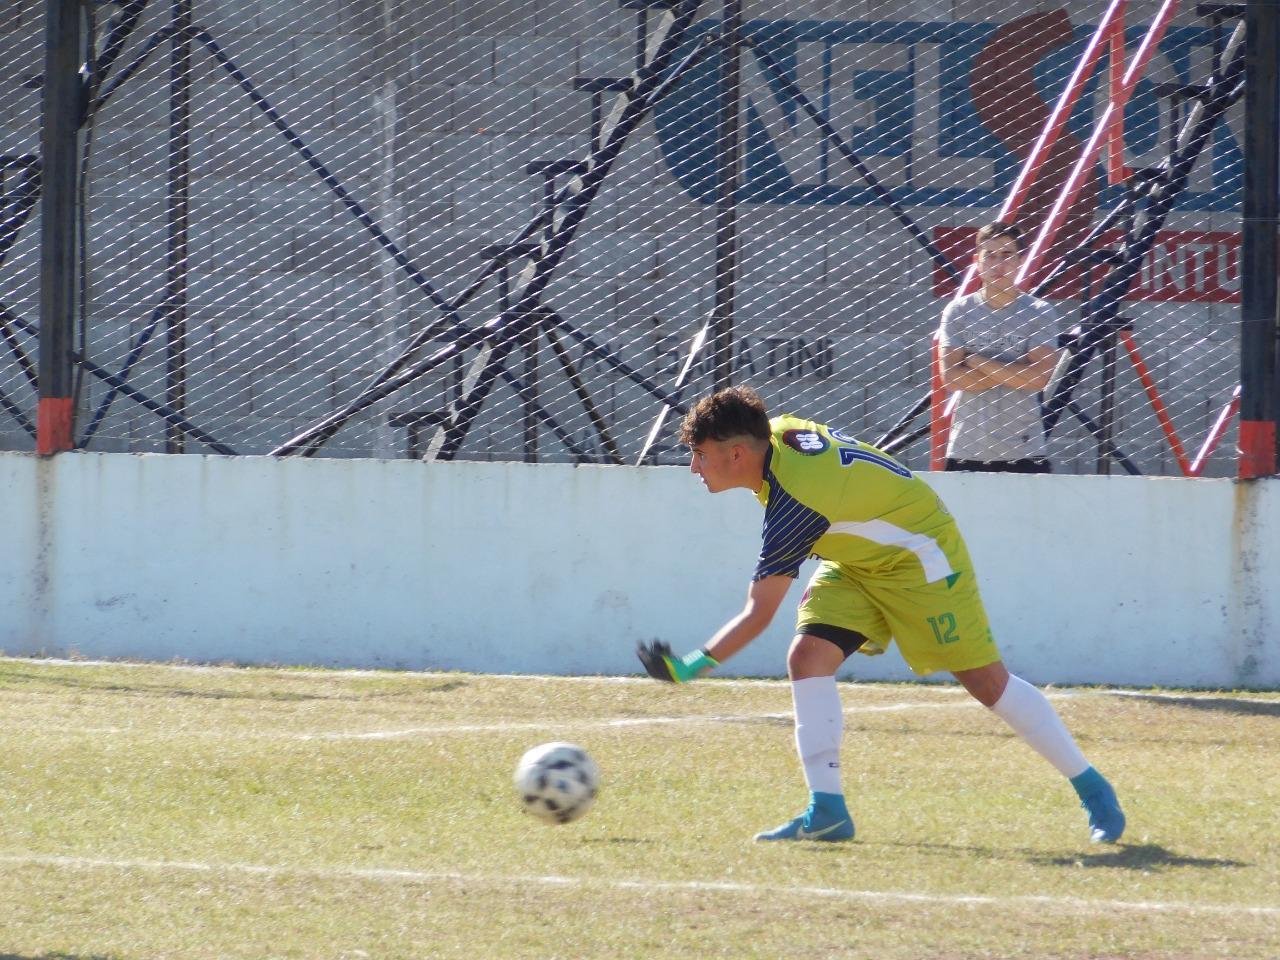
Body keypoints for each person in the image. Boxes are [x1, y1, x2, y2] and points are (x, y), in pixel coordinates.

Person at [637, 386, 1124, 844]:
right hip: (859, 559)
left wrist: (692, 665)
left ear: (736, 454)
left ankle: (1094, 790)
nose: (694, 467)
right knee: (808, 658)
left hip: (920, 556)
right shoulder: (778, 433)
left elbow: (758, 613)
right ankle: (827, 811)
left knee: (986, 683)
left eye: (699, 455)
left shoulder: (795, 505)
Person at [938, 222, 1060, 473]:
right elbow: (951, 378)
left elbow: (1038, 379)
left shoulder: (1039, 312)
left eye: (1006, 255)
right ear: (977, 260)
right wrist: (1014, 373)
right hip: (967, 448)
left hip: (1025, 450)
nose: (998, 264)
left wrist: (973, 360)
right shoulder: (959, 310)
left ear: (1020, 260)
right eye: (990, 255)